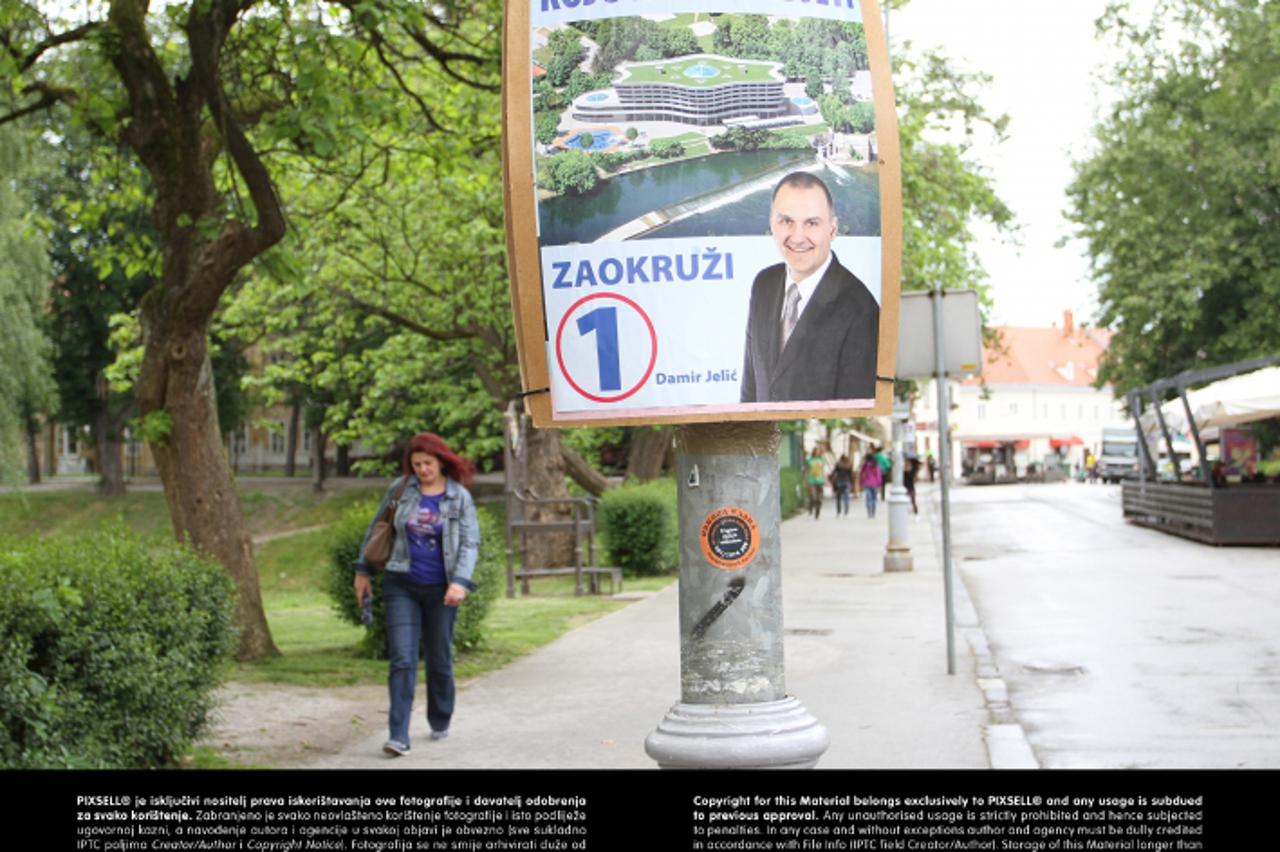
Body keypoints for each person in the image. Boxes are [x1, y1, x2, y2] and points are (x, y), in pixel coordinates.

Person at [353, 432, 481, 757]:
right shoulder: (400, 491)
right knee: (402, 659)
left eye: (428, 463)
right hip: (401, 584)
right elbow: (376, 528)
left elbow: (469, 542)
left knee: (438, 657)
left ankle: (440, 717)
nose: (422, 470)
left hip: (442, 589)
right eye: (416, 464)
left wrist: (460, 582)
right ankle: (398, 735)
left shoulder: (458, 498)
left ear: (441, 461)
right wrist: (362, 570)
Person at [739, 171, 880, 403]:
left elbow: (854, 408)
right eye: (786, 221)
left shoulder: (861, 310)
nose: (798, 237)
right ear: (771, 224)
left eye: (811, 223)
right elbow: (750, 391)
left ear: (833, 230)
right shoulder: (763, 284)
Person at [804, 446, 827, 519]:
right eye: (816, 450)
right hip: (811, 481)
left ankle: (817, 511)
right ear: (813, 451)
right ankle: (810, 507)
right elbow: (806, 471)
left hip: (820, 481)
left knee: (819, 499)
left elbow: (823, 471)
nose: (817, 452)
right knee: (813, 497)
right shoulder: (809, 459)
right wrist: (805, 480)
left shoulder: (822, 459)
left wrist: (825, 480)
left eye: (818, 451)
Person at [859, 453, 883, 518]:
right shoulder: (876, 465)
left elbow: (861, 474)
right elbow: (878, 476)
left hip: (867, 484)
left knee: (868, 499)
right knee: (874, 499)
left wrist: (861, 483)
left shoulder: (865, 465)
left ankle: (869, 512)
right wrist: (879, 484)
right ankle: (873, 512)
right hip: (875, 485)